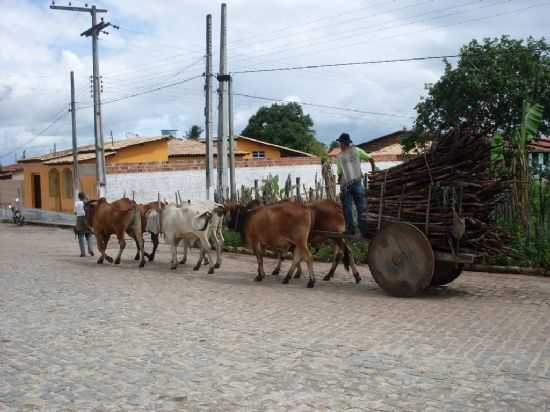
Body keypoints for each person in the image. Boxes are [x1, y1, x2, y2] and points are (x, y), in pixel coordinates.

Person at [336, 133, 376, 239]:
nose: (340, 145)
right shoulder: (357, 151)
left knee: (348, 208)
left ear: (344, 143)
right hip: (357, 182)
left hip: (346, 185)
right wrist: (374, 171)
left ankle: (350, 230)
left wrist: (339, 181)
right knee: (361, 207)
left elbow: (340, 174)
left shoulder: (339, 156)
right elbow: (371, 159)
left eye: (340, 143)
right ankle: (364, 231)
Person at [74, 192, 94, 257]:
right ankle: (90, 249)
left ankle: (83, 253)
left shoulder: (76, 203)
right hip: (87, 219)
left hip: (79, 220)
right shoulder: (88, 202)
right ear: (85, 196)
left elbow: (75, 213)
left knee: (81, 236)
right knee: (89, 235)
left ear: (79, 197)